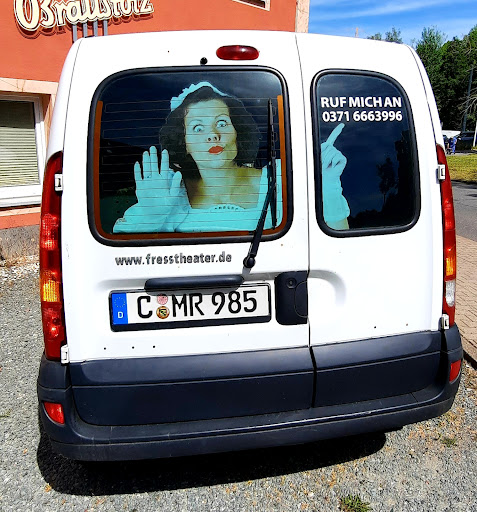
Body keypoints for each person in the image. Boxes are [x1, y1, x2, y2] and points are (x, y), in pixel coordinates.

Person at [113, 82, 348, 233]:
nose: (212, 135)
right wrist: (150, 216)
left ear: (238, 132)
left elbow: (336, 245)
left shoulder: (281, 178)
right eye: (197, 128)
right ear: (183, 144)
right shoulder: (168, 193)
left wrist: (327, 186)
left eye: (222, 123)